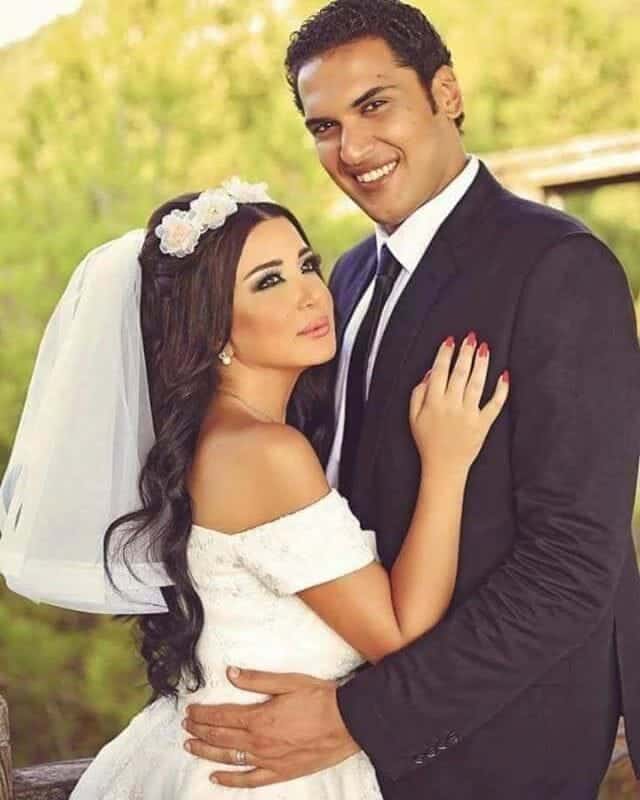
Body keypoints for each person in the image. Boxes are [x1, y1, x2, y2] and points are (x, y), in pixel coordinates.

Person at [181, 2, 640, 798]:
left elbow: (572, 566)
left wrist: (361, 717)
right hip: (344, 734)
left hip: (501, 739)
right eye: (325, 127)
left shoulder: (558, 268)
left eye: (375, 105)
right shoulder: (343, 279)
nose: (353, 148)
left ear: (446, 93)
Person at [0, 178, 507, 798]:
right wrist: (448, 462)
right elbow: (400, 633)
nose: (311, 294)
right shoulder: (264, 453)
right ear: (213, 329)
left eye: (306, 265)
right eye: (269, 282)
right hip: (256, 777)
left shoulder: (221, 440)